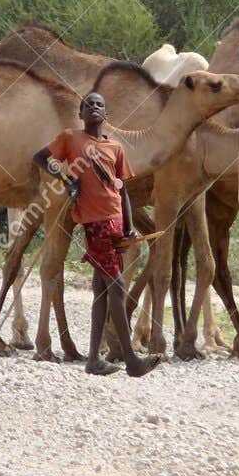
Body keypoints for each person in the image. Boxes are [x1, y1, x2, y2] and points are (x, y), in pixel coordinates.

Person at [33, 92, 156, 376]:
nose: (94, 108)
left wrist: (128, 227)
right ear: (80, 113)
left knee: (102, 291)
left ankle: (93, 360)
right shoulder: (70, 138)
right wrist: (66, 178)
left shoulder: (115, 147)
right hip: (95, 222)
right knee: (117, 287)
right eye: (88, 105)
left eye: (99, 104)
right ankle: (131, 360)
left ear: (106, 114)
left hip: (114, 221)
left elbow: (121, 189)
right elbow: (40, 157)